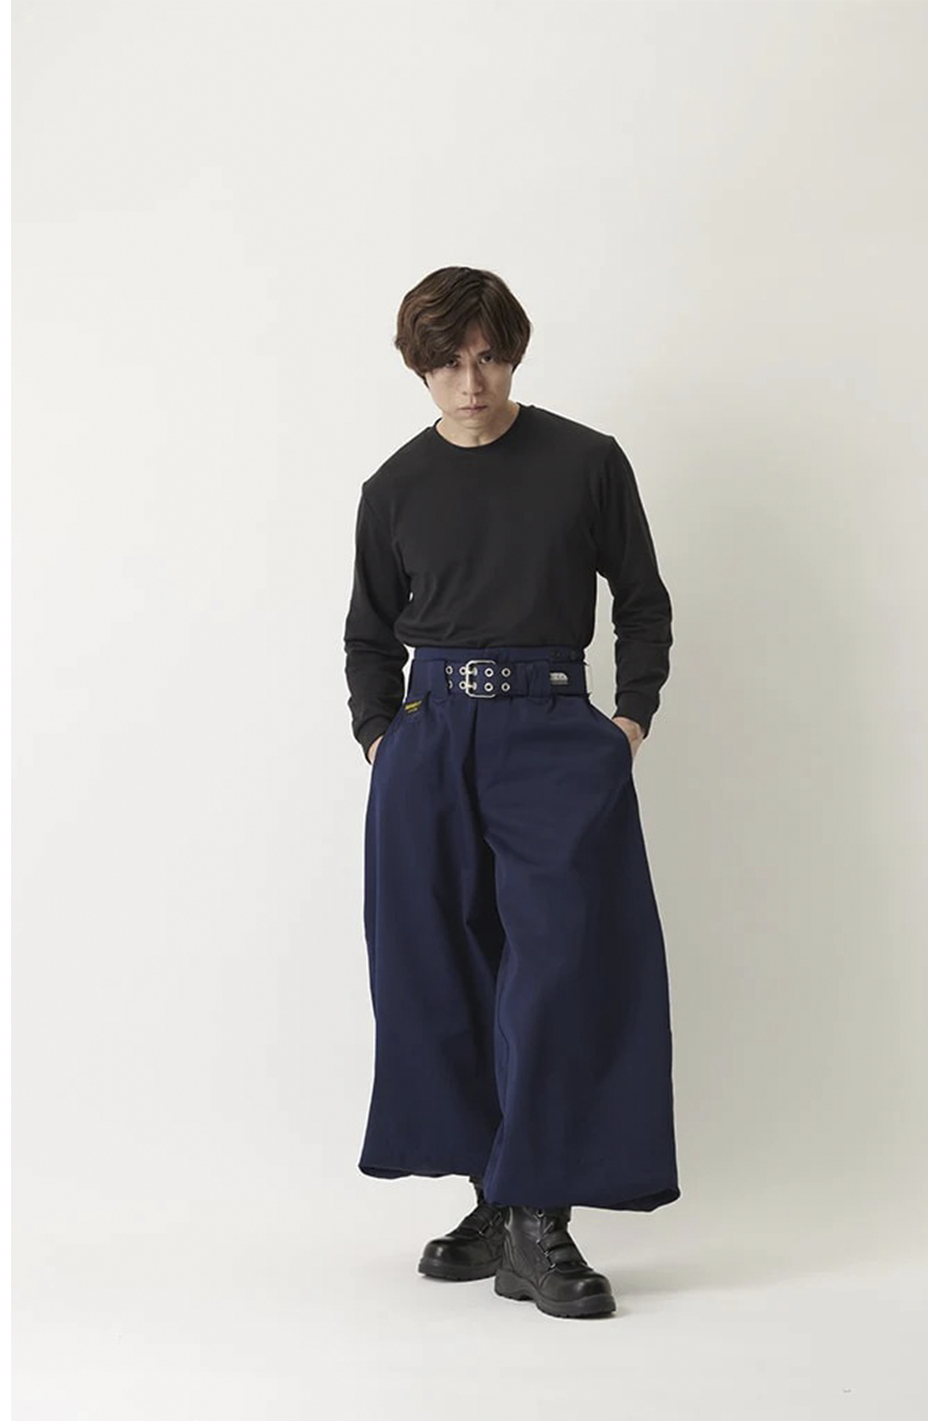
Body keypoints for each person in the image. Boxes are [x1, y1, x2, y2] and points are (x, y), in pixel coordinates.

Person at [343, 266, 679, 1320]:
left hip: (552, 731)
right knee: (442, 974)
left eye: (487, 356)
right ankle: (495, 1196)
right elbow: (367, 634)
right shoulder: (394, 487)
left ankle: (542, 1216)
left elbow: (642, 601)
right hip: (430, 738)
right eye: (447, 363)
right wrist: (380, 740)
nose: (471, 382)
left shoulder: (586, 461)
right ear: (419, 369)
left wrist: (628, 722)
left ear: (513, 354)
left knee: (562, 971)